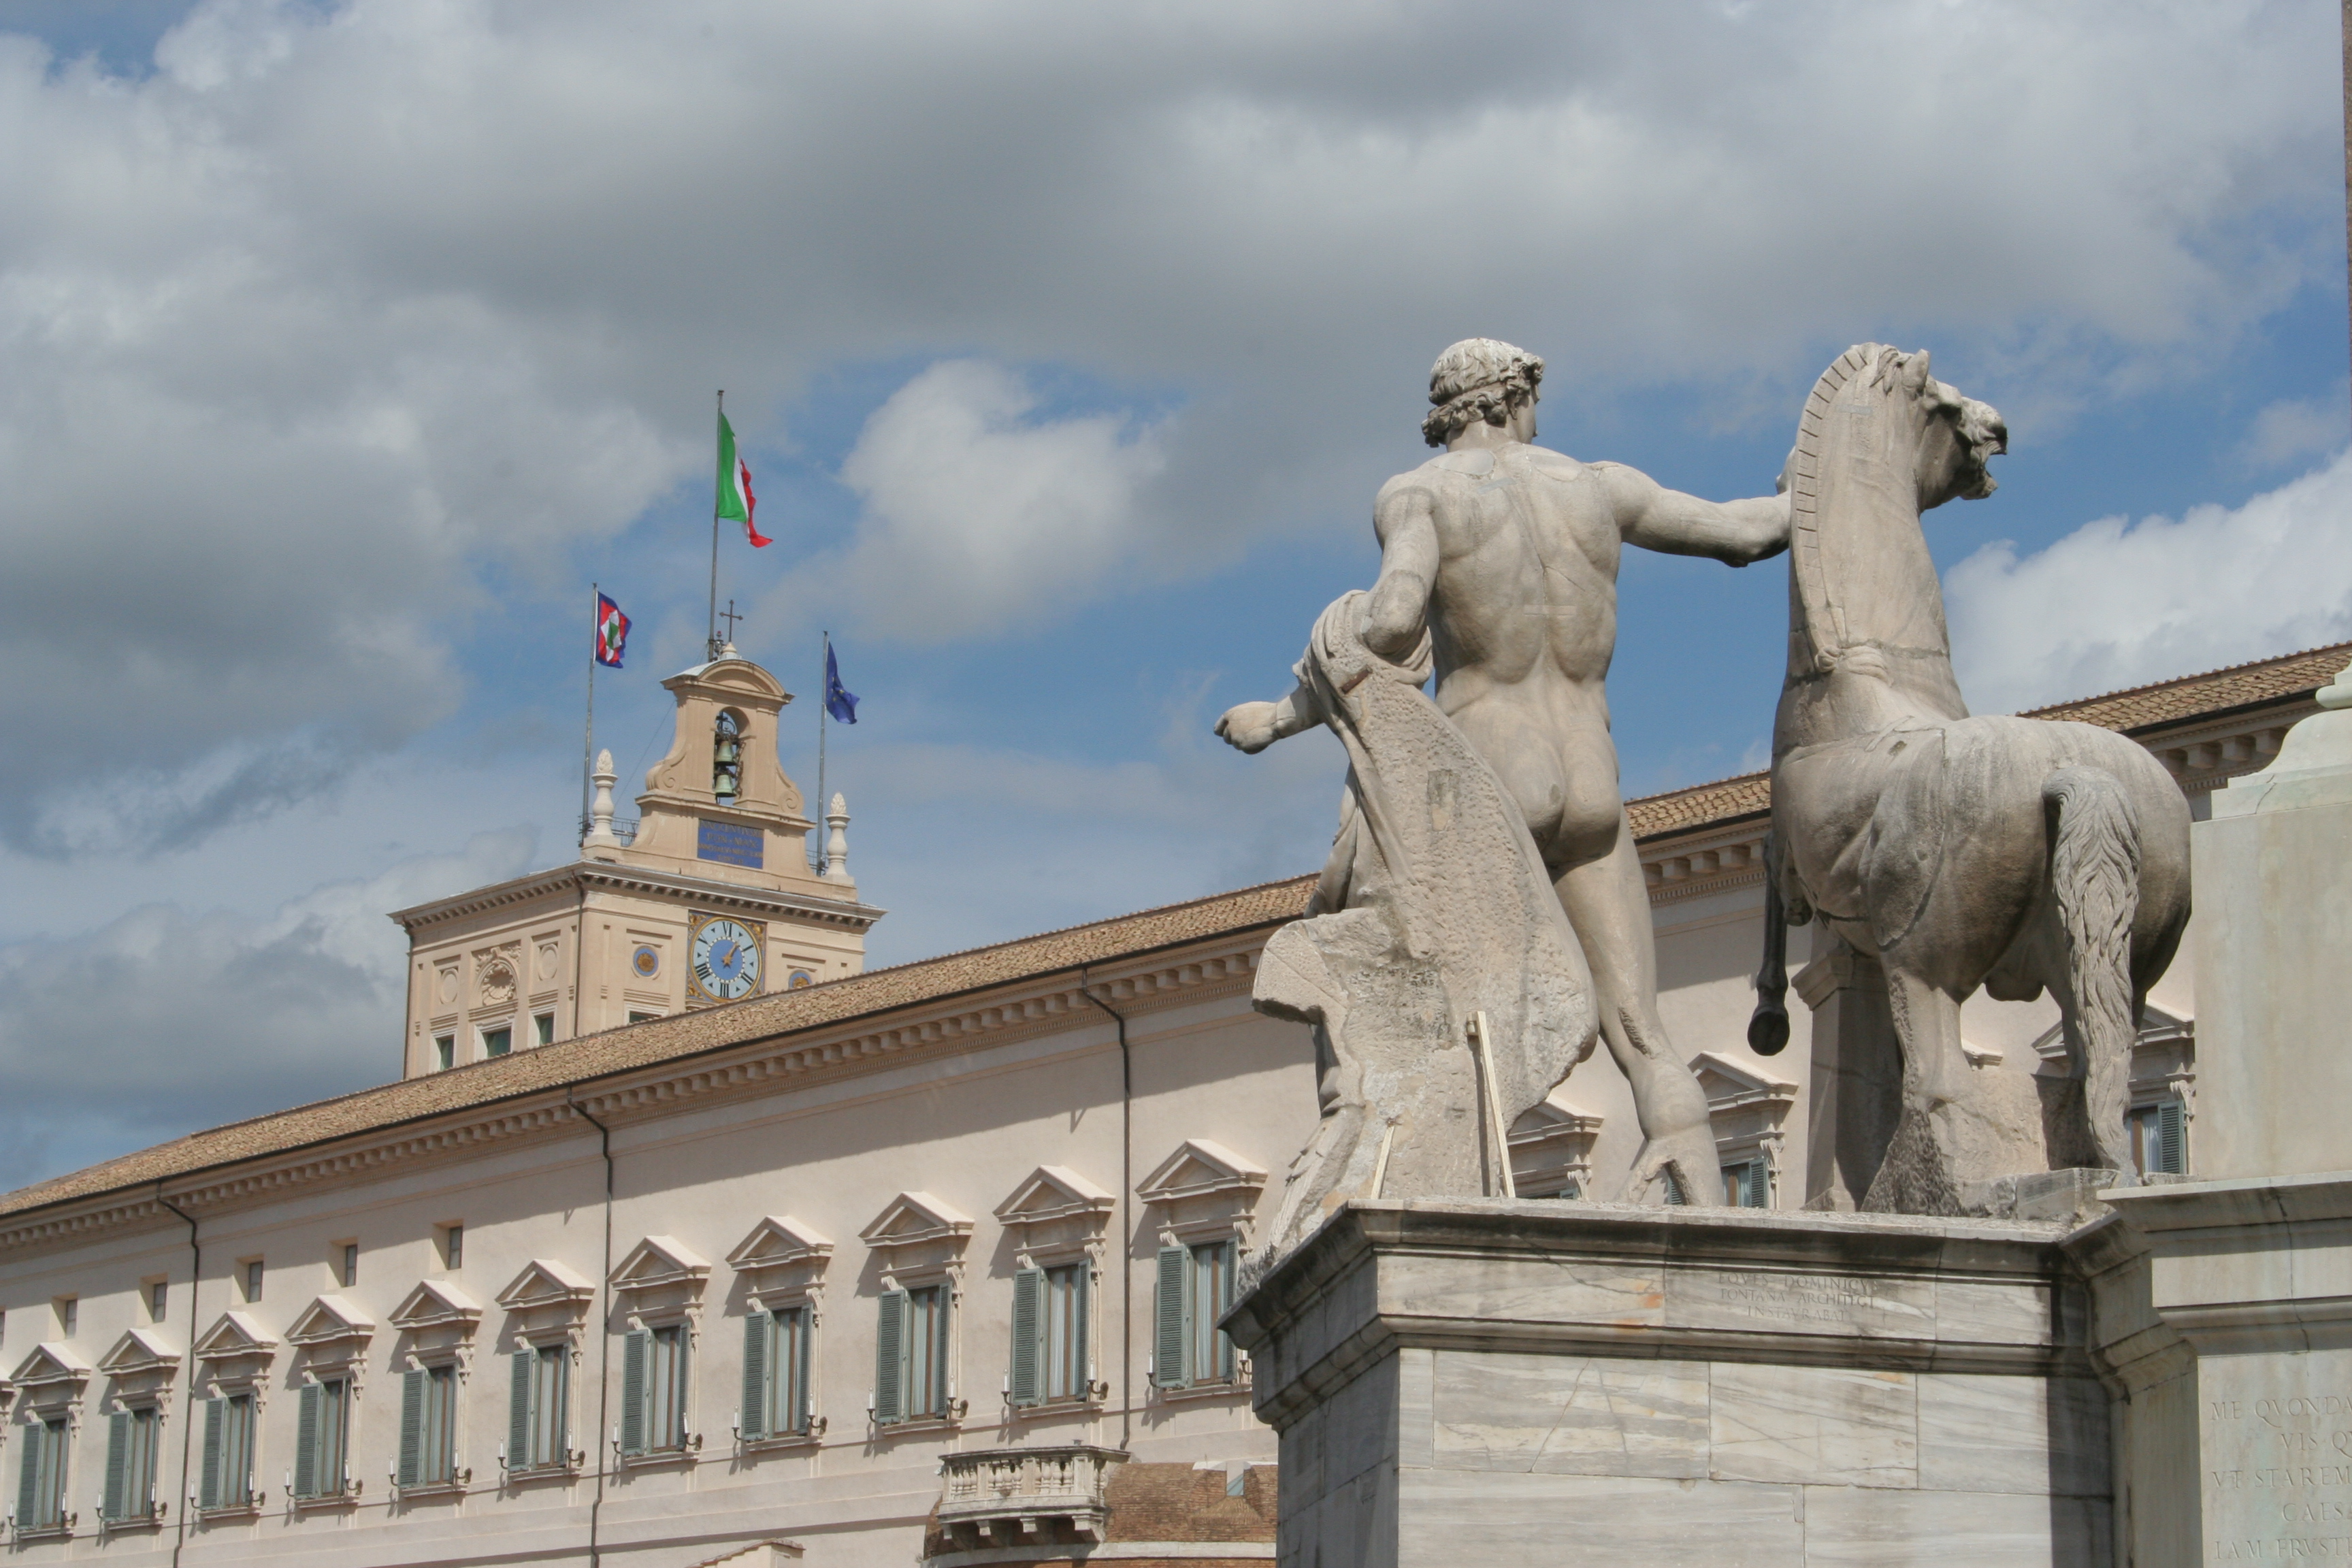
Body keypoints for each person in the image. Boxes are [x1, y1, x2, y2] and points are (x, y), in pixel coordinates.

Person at [1218, 338, 1789, 1204]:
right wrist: (1806, 492)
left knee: (1382, 961)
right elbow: (1747, 533)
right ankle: (1707, 1206)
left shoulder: (1420, 494)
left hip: (1486, 777)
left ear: (1449, 413)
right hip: (1592, 771)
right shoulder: (1600, 485)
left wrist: (1292, 702)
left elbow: (1394, 614)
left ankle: (1389, 1172)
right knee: (1640, 1027)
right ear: (1515, 399)